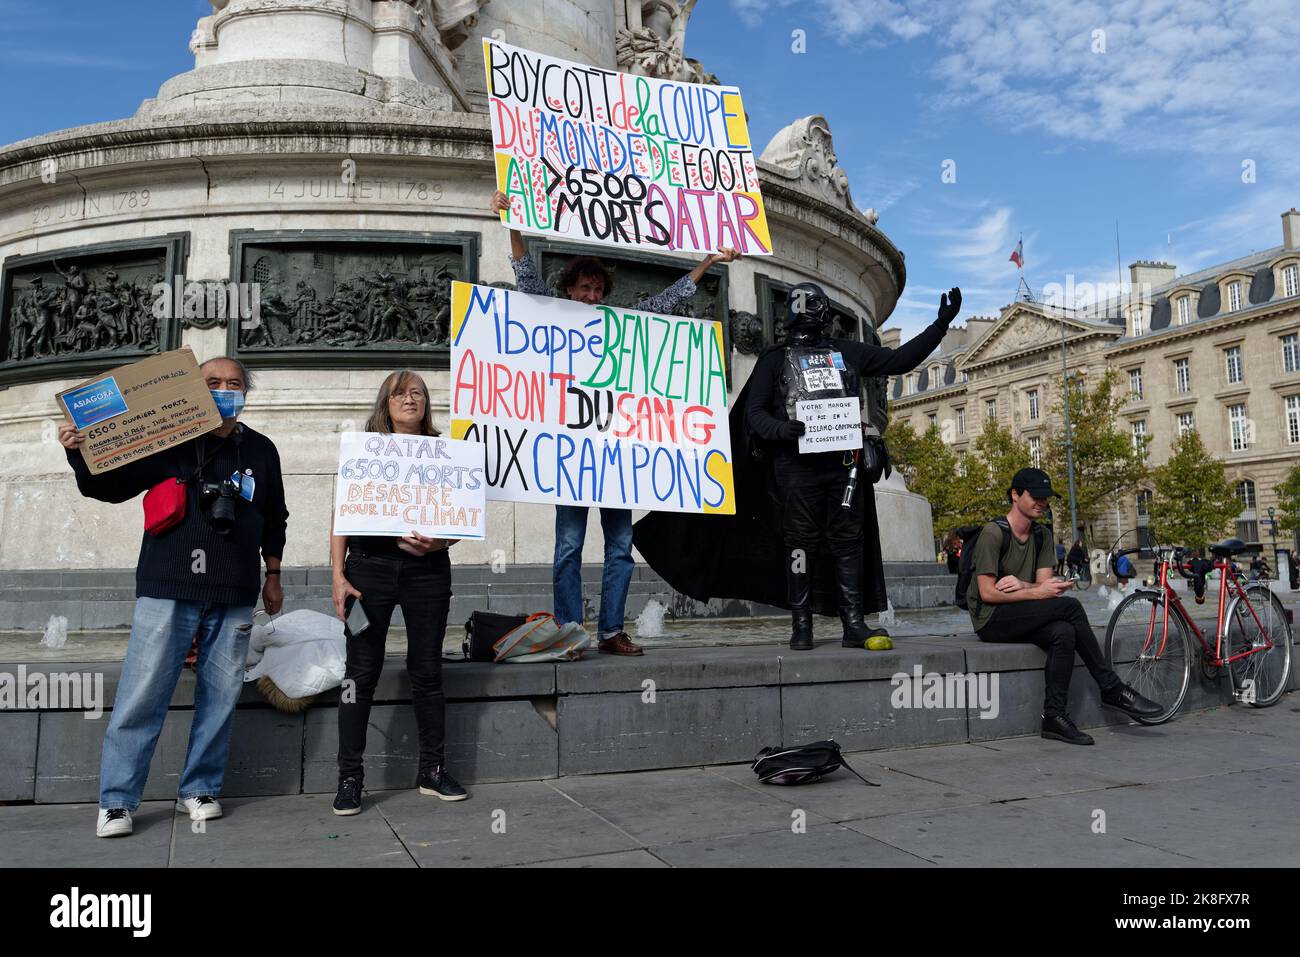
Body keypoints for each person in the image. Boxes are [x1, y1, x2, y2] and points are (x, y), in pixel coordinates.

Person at [489, 189, 739, 656]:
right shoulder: (551, 314)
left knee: (620, 549)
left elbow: (667, 303)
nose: (590, 296)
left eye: (597, 290)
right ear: (567, 291)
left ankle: (609, 631)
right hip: (570, 455)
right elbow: (524, 276)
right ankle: (568, 631)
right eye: (583, 288)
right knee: (568, 548)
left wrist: (707, 262)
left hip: (617, 455)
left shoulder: (623, 324)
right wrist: (512, 221)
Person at [60, 357, 287, 837]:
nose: (225, 390)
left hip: (234, 590)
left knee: (221, 697)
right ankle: (117, 801)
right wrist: (80, 453)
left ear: (247, 391)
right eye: (213, 383)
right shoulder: (170, 436)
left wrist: (273, 573)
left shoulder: (262, 449)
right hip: (168, 586)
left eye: (234, 383)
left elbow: (275, 517)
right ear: (192, 388)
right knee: (141, 695)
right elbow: (109, 486)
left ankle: (199, 789)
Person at [745, 282, 962, 651]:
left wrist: (940, 326)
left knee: (848, 543)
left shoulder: (844, 352)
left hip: (842, 466)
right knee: (800, 545)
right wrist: (782, 429)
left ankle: (854, 622)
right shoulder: (774, 359)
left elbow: (899, 361)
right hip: (796, 467)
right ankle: (802, 624)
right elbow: (754, 414)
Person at [329, 371, 466, 815]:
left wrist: (440, 543)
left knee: (426, 668)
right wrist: (337, 575)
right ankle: (350, 777)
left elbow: (459, 517)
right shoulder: (363, 450)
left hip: (428, 571)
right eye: (400, 393)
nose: (410, 399)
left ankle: (433, 770)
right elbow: (341, 515)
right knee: (360, 671)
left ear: (427, 403)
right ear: (384, 403)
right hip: (368, 570)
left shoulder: (446, 454)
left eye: (418, 393)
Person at [967, 468, 1162, 745]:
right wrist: (1035, 591)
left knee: (1063, 633)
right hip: (991, 619)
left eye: (1046, 498)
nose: (1042, 503)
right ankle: (1110, 687)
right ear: (1014, 494)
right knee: (1069, 608)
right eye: (1035, 496)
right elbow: (987, 594)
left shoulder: (1042, 535)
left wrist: (1025, 587)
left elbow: (1042, 587)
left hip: (1019, 612)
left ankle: (1054, 718)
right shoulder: (993, 534)